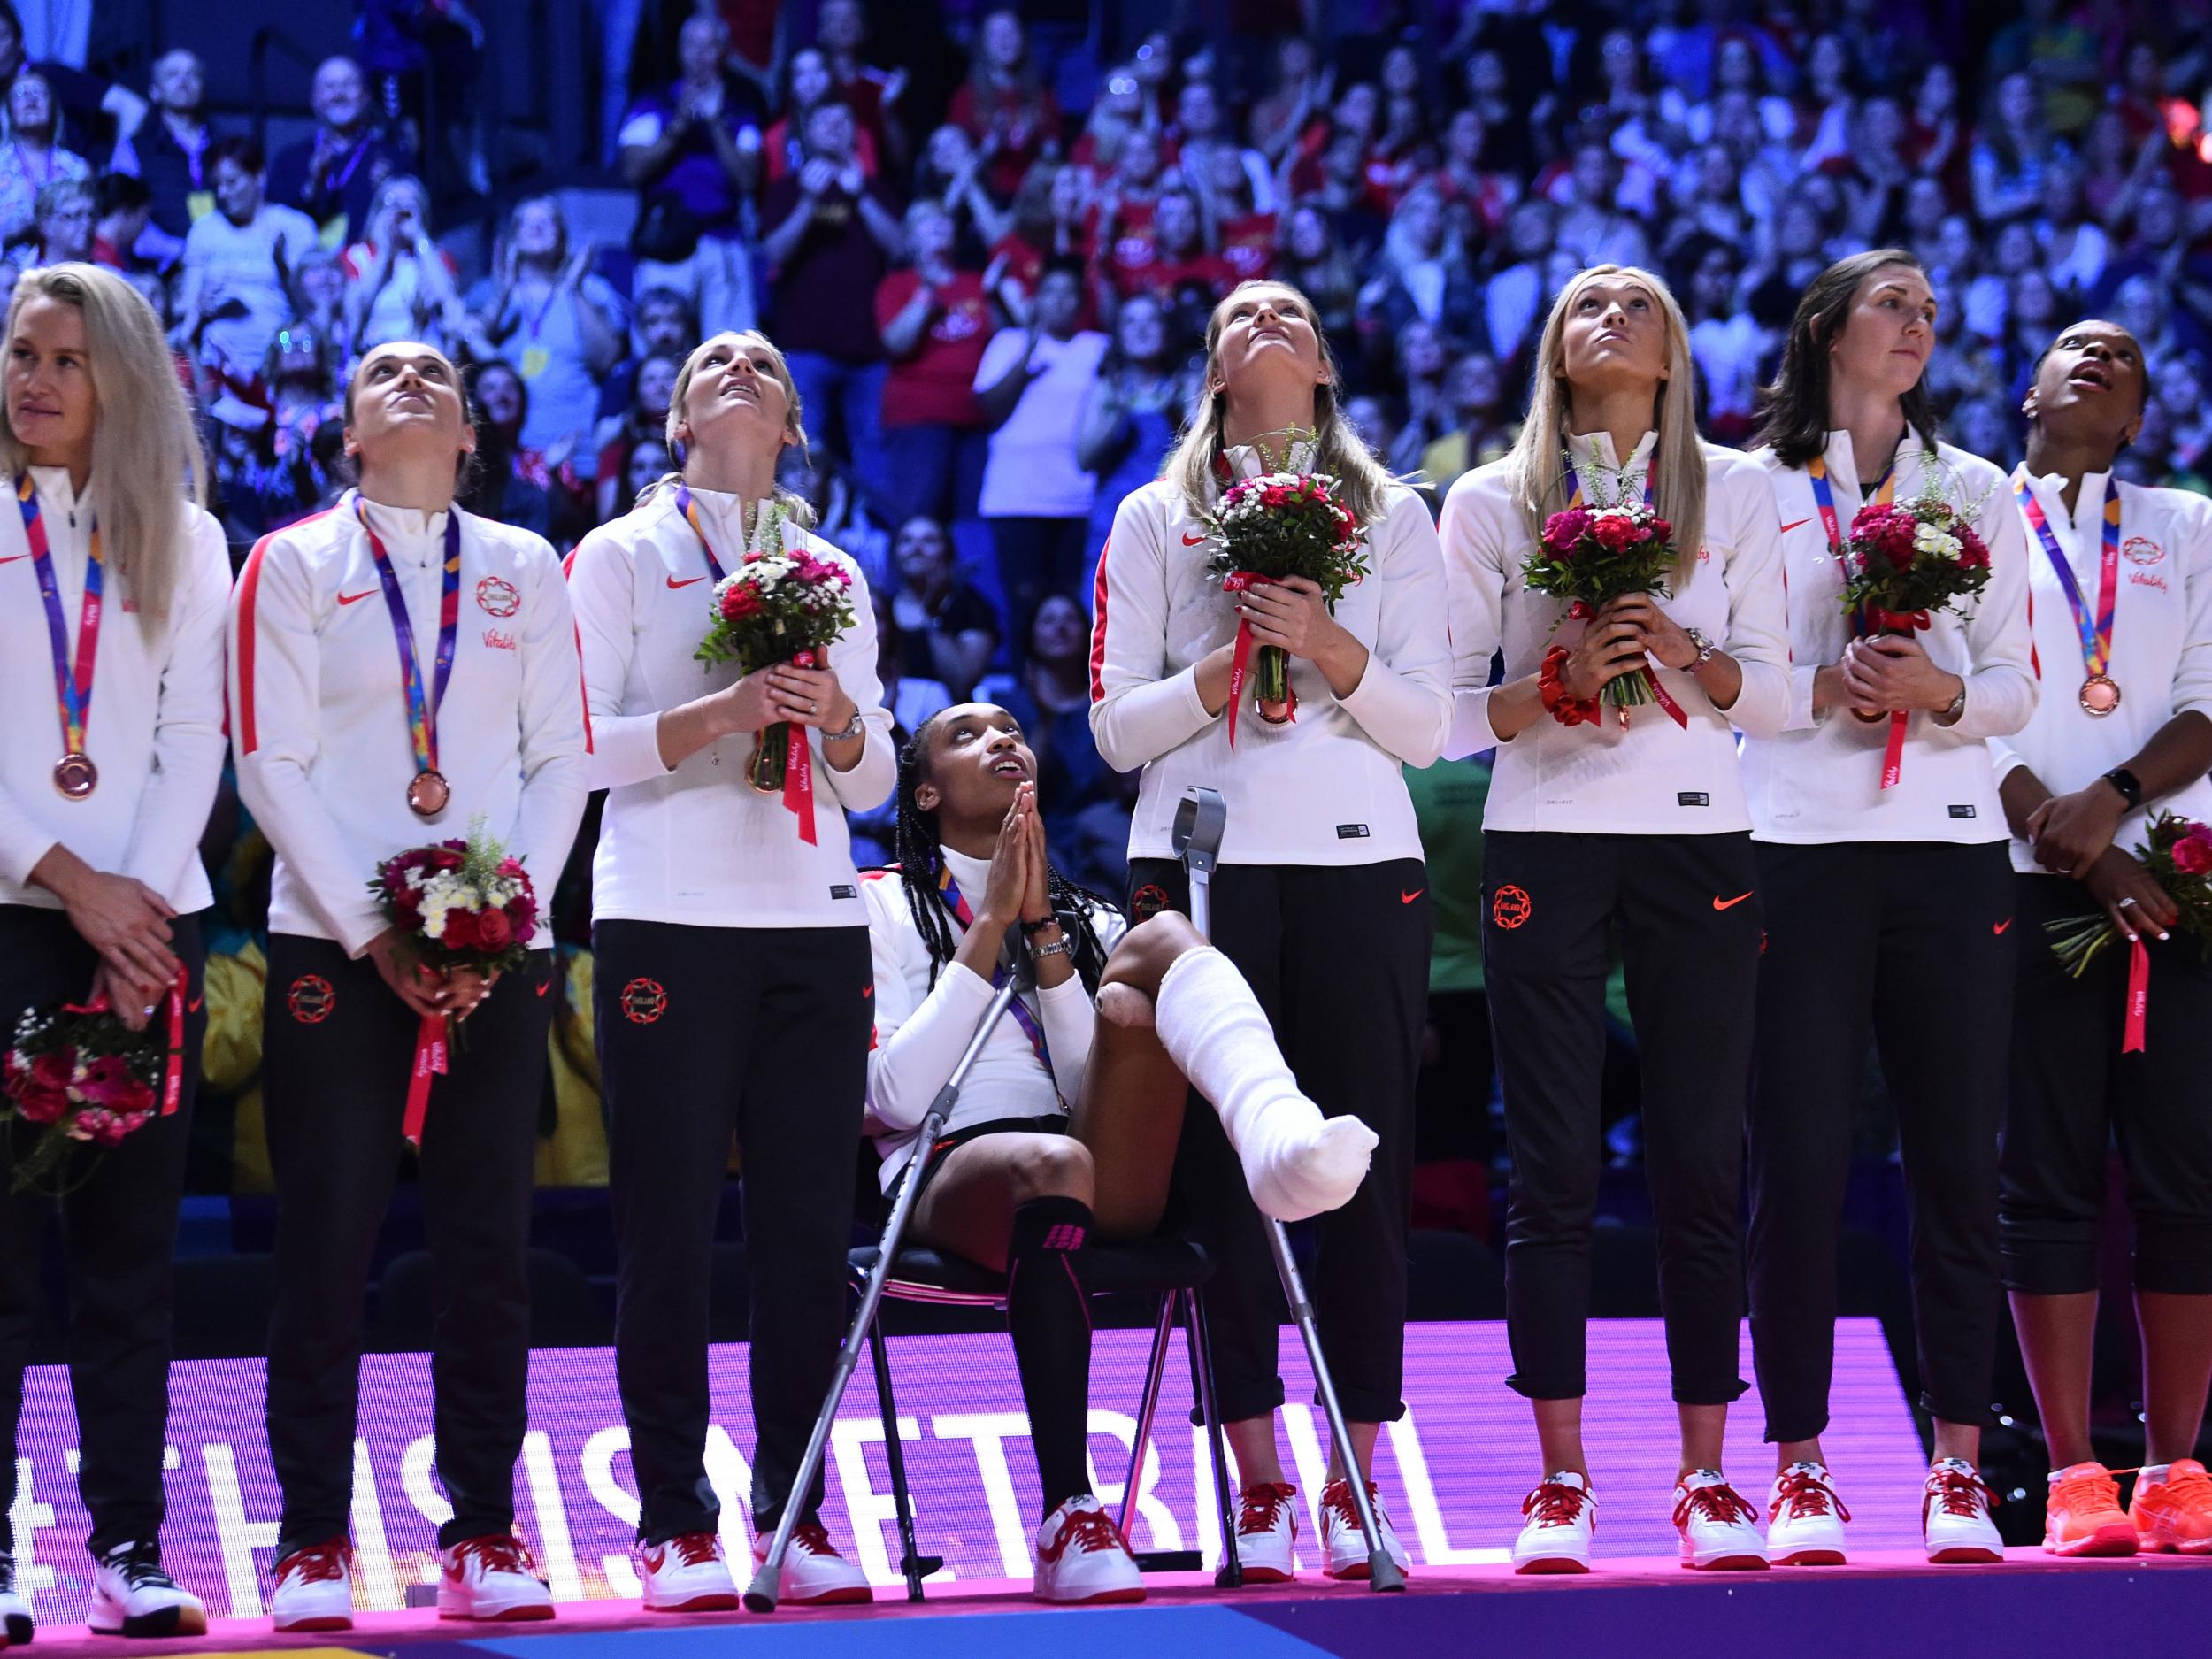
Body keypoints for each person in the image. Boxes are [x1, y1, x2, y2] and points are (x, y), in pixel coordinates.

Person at [1089, 278, 1451, 1582]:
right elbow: (1113, 730)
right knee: (1224, 1173)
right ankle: (1257, 1477)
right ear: (1213, 365)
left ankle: (1357, 1471)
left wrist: (1329, 647)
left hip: (1362, 865)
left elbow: (1432, 727)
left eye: (1290, 310)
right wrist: (1224, 664)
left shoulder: (1394, 514)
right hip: (1198, 869)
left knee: (1360, 1157)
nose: (1267, 323)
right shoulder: (1153, 516)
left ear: (1326, 359)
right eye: (1240, 316)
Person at [231, 340, 588, 1631]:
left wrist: (499, 925)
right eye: (385, 371)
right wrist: (383, 931)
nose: (417, 378)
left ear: (474, 436)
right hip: (335, 944)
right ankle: (312, 1535)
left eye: (439, 372)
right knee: (324, 1242)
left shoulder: (528, 565)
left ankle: (484, 1527)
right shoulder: (290, 560)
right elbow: (272, 763)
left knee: (489, 1245)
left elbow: (564, 761)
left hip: (497, 953)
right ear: (348, 434)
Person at [1438, 265, 1790, 1574]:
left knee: (1703, 1152)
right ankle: (1560, 1478)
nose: (1614, 313)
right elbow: (1447, 711)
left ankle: (1708, 1473)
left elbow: (1778, 695)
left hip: (1700, 822)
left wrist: (1679, 654)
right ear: (1556, 345)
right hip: (1544, 829)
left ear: (1676, 347)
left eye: (1639, 300)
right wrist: (1557, 676)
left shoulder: (1738, 488)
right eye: (1588, 301)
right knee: (1553, 1164)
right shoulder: (1488, 498)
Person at [866, 703, 1374, 1601]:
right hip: (952, 1170)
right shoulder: (883, 904)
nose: (1004, 741)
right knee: (1052, 1165)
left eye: (1012, 728)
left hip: (1088, 1154)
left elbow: (1078, 1083)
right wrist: (987, 929)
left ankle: (1277, 1137)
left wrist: (1044, 939)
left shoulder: (1082, 911)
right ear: (925, 789)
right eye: (968, 736)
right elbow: (895, 1098)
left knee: (1160, 941)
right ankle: (1070, 1514)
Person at [565, 331, 894, 1612]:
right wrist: (727, 709)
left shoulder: (832, 571)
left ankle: (796, 1508)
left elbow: (871, 779)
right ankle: (672, 1518)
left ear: (797, 421)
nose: (745, 367)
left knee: (809, 1230)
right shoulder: (619, 554)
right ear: (675, 419)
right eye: (716, 360)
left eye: (766, 362)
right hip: (664, 912)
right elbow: (579, 745)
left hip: (813, 915)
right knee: (668, 1224)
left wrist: (834, 717)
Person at [1739, 250, 2037, 1567]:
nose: (1921, 323)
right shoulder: (1746, 485)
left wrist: (1941, 694)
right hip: (1794, 841)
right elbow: (1726, 681)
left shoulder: (1973, 489)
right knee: (1796, 1162)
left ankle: (1959, 1465)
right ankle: (1800, 1463)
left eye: (1931, 308)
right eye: (1894, 304)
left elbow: (2021, 687)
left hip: (1952, 846)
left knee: (1959, 1168)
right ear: (1828, 329)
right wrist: (1822, 687)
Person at [0, 264, 226, 1643]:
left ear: (121, 381)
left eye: (66, 360)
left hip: (150, 926)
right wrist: (74, 880)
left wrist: (135, 908)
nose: (32, 378)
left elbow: (193, 735)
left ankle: (129, 1544)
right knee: (3, 1249)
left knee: (131, 1255)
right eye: (22, 352)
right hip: (20, 913)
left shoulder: (186, 538)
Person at [1996, 319, 2212, 1558]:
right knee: (2045, 1174)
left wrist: (2118, 806)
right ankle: (2077, 1469)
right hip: (2029, 881)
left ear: (2134, 420)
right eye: (2074, 348)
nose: (2096, 361)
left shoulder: (2186, 524)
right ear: (2030, 389)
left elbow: (2208, 702)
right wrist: (2076, 837)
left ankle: (2179, 1466)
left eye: (2122, 360)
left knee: (2189, 1175)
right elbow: (1961, 700)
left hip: (2184, 887)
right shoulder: (1968, 514)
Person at [975, 257, 1110, 649]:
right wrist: (1028, 352)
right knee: (1025, 605)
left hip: (1076, 497)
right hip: (1014, 497)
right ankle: (1025, 697)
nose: (1060, 302)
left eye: (1069, 294)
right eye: (1051, 292)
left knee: (1073, 606)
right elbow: (988, 407)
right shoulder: (1009, 344)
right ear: (1037, 299)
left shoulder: (1096, 348)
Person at [616, 12, 764, 341]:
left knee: (729, 356)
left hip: (722, 242)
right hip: (666, 244)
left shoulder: (741, 109)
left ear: (724, 53)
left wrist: (714, 124)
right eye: (692, 45)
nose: (700, 55)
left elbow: (747, 180)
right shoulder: (653, 103)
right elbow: (633, 170)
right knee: (659, 355)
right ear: (680, 51)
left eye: (710, 46)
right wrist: (680, 125)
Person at [464, 196, 626, 480]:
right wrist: (502, 292)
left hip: (577, 447)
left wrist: (573, 289)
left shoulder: (592, 289)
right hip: (508, 458)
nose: (537, 227)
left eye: (547, 221)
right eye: (527, 222)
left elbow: (607, 357)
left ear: (563, 236)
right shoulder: (489, 292)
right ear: (512, 236)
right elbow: (468, 345)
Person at [173, 137, 319, 375]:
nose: (222, 193)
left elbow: (311, 311)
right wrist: (201, 305)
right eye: (217, 184)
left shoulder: (294, 227)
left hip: (278, 363)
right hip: (215, 364)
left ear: (259, 177)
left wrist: (281, 265)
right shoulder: (204, 231)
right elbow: (188, 308)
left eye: (231, 182)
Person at [265, 55, 403, 245]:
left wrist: (387, 191)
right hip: (306, 268)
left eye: (349, 85)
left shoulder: (393, 158)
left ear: (365, 96)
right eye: (329, 87)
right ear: (314, 99)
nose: (339, 94)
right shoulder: (289, 161)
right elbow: (273, 225)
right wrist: (311, 188)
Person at [341, 174, 465, 355]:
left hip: (424, 354)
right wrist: (384, 252)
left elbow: (447, 301)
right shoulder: (356, 255)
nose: (400, 212)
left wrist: (420, 238)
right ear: (378, 210)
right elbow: (356, 309)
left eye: (410, 204)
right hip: (374, 355)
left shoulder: (434, 256)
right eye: (392, 202)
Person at [0, 69, 91, 246]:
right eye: (20, 95)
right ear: (10, 111)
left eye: (39, 93)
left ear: (53, 108)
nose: (30, 100)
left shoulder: (77, 168)